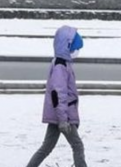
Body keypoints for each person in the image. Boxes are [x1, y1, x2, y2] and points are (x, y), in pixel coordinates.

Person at [26, 26, 88, 167]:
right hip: (63, 116)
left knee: (46, 147)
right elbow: (58, 94)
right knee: (77, 145)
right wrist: (63, 120)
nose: (77, 52)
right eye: (75, 48)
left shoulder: (62, 63)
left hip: (60, 115)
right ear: (67, 46)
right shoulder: (60, 66)